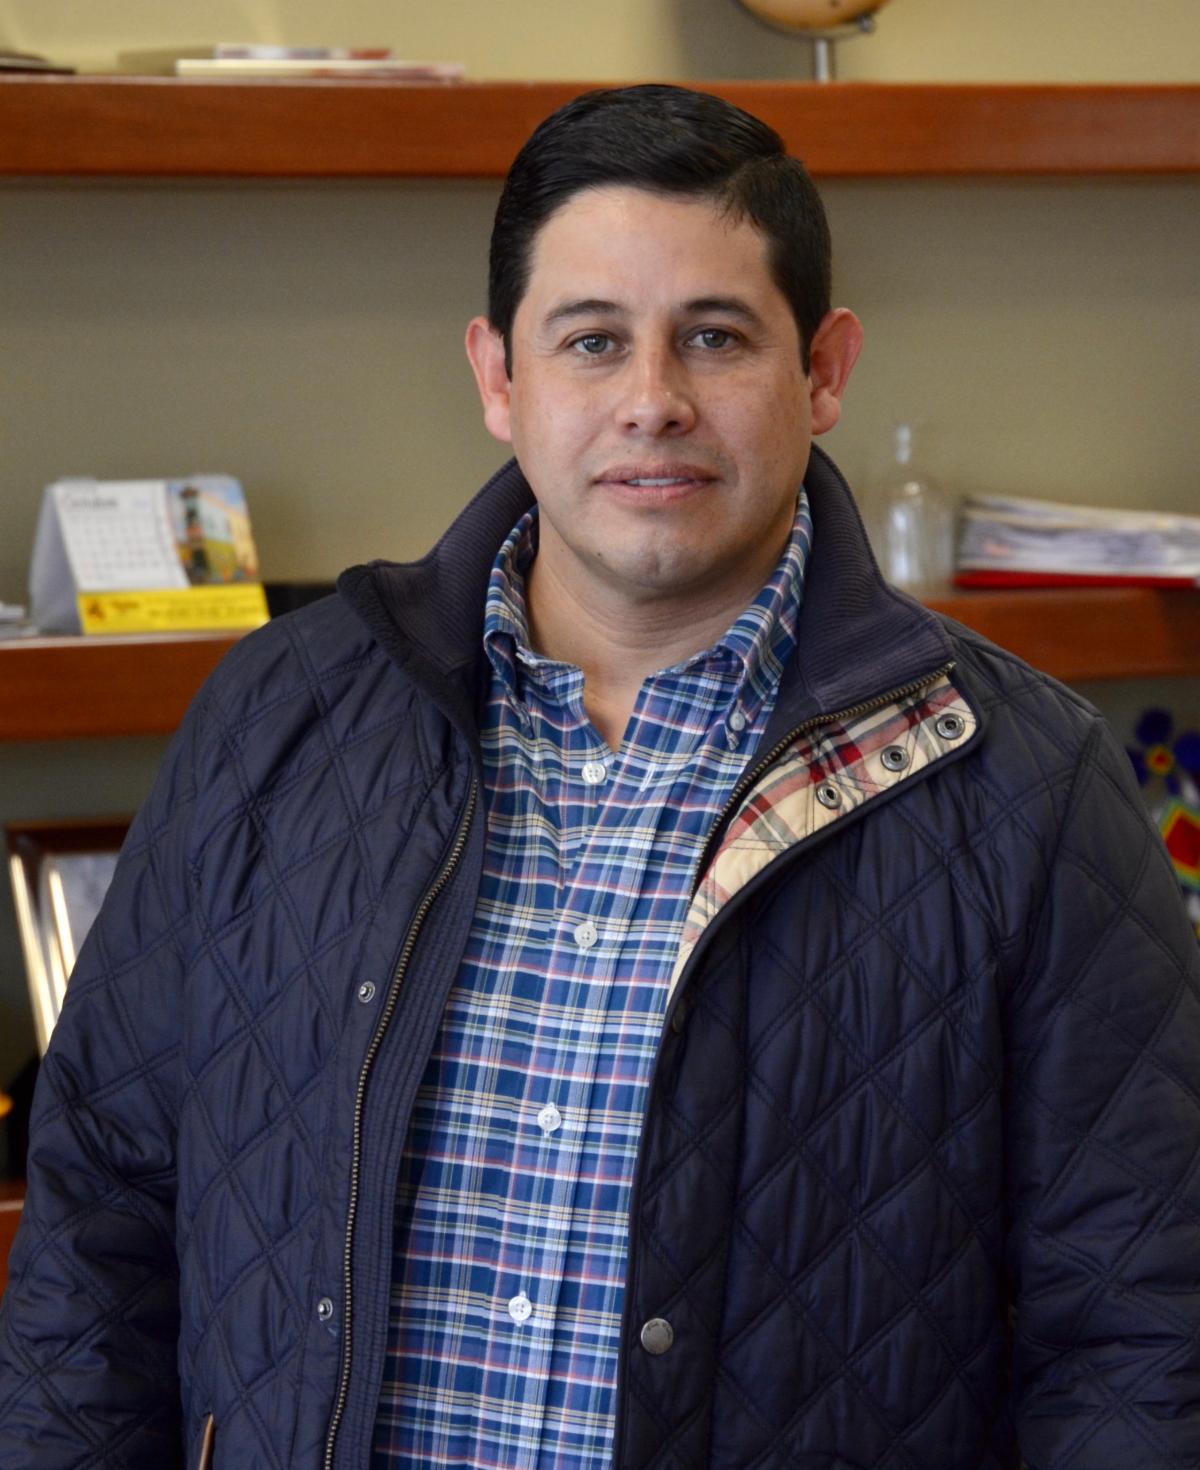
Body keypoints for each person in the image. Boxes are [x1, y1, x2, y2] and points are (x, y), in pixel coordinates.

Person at [2, 84, 1198, 1470]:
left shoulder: (1025, 785)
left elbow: (1143, 1326)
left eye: (715, 336)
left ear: (823, 371)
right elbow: (100, 1220)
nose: (652, 402)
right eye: (592, 340)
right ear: (497, 378)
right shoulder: (282, 718)